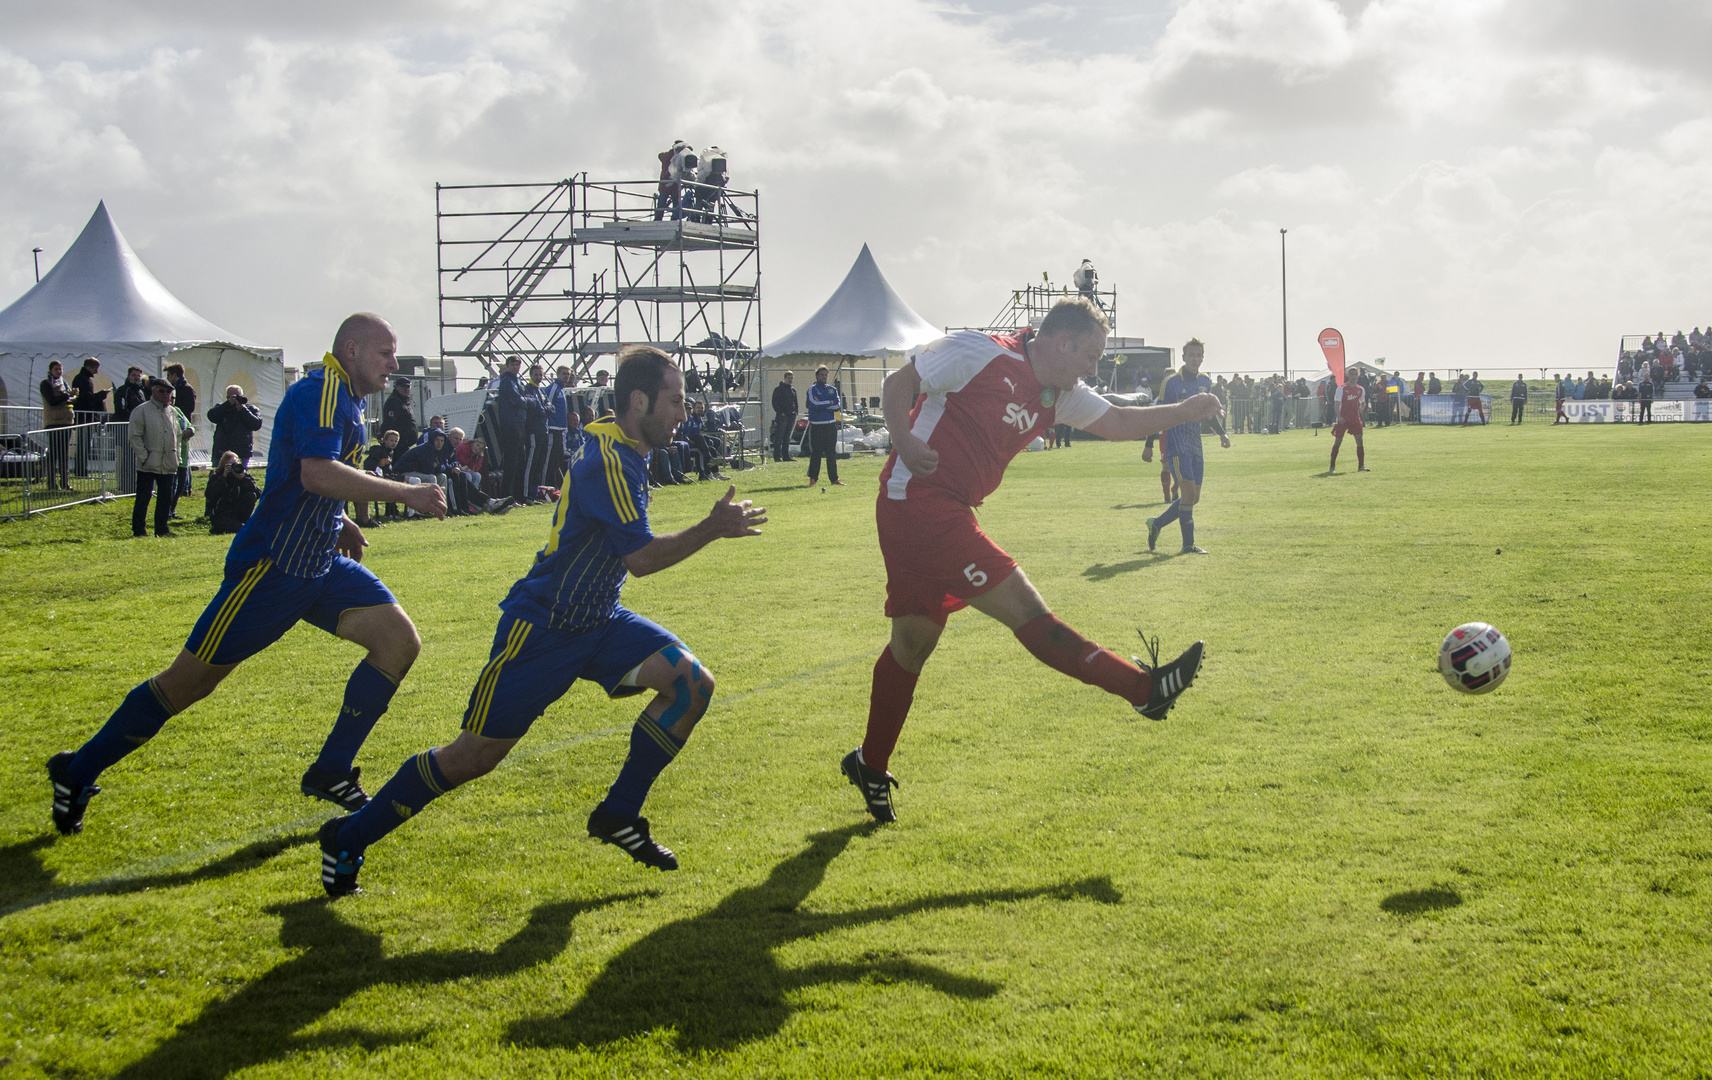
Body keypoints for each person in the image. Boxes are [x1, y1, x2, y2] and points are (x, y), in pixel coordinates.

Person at [316, 347, 767, 896]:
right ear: (640, 401)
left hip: (598, 619)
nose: (685, 409)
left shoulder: (625, 445)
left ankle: (618, 813)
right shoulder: (610, 462)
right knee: (472, 757)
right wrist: (711, 527)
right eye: (676, 400)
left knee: (690, 683)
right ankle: (349, 837)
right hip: (543, 629)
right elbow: (642, 560)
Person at [46, 314, 449, 838]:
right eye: (386, 354)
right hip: (272, 567)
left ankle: (330, 770)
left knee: (398, 642)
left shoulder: (345, 396)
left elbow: (294, 474)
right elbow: (315, 471)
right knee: (186, 685)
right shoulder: (321, 393)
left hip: (318, 562)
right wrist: (404, 491)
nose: (394, 364)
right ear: (351, 350)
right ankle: (76, 772)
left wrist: (340, 520)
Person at [841, 298, 1218, 824]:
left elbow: (1117, 420)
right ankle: (1144, 690)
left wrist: (1184, 410)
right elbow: (897, 384)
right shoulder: (979, 351)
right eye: (1091, 356)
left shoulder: (1056, 392)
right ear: (1062, 342)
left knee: (912, 645)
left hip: (925, 509)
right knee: (1028, 612)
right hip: (924, 505)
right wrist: (902, 439)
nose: (1094, 368)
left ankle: (869, 764)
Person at [1146, 339, 1230, 555]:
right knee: (1188, 492)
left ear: (1202, 357)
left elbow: (1208, 414)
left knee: (1193, 497)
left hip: (1195, 442)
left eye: (1198, 355)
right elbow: (1158, 414)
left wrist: (1222, 433)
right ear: (1183, 357)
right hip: (1177, 442)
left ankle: (1157, 523)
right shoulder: (1172, 382)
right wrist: (1149, 444)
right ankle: (1188, 545)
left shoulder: (1205, 381)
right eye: (1191, 355)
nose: (1195, 359)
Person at [126, 378, 188, 535]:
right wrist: (144, 457)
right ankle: (139, 530)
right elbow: (135, 436)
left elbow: (178, 436)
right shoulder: (142, 411)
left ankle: (162, 529)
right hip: (149, 463)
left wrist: (177, 457)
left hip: (168, 463)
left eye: (169, 392)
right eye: (162, 391)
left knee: (165, 498)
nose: (166, 394)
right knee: (143, 498)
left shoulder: (173, 412)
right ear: (153, 391)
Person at [494, 356, 533, 504]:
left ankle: (519, 495)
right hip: (510, 426)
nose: (515, 367)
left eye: (518, 365)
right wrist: (528, 400)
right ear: (507, 365)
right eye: (513, 364)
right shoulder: (507, 381)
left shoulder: (517, 381)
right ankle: (508, 496)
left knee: (520, 462)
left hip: (519, 425)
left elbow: (523, 399)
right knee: (511, 463)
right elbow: (518, 400)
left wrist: (525, 400)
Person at [164, 363, 197, 513]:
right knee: (173, 481)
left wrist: (188, 429)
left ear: (174, 375)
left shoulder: (186, 388)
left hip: (182, 441)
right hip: (171, 447)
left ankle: (176, 504)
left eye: (169, 375)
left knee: (182, 475)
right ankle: (168, 509)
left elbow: (189, 411)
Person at [39, 360, 76, 490]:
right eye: (56, 369)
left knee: (64, 453)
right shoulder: (46, 384)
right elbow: (52, 401)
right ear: (50, 370)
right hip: (53, 421)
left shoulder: (64, 383)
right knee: (54, 453)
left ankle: (65, 482)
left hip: (66, 421)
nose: (59, 372)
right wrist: (67, 395)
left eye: (60, 369)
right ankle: (51, 482)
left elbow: (68, 398)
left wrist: (72, 396)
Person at [70, 356, 109, 478]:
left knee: (85, 445)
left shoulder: (82, 378)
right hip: (85, 417)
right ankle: (81, 471)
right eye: (95, 368)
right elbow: (86, 399)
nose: (97, 371)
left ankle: (81, 470)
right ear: (89, 367)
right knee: (84, 445)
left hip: (84, 416)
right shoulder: (84, 380)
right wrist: (100, 396)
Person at [205, 451, 261, 534]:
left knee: (250, 495)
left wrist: (243, 479)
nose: (232, 468)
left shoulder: (244, 477)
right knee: (242, 529)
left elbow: (258, 493)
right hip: (222, 514)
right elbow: (209, 495)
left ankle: (242, 525)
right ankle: (220, 528)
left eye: (234, 464)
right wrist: (223, 478)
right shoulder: (217, 477)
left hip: (239, 512)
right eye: (229, 465)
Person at [207, 384, 264, 466]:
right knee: (218, 475)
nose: (236, 399)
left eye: (238, 396)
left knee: (240, 475)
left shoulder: (251, 409)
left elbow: (256, 424)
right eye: (233, 397)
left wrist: (242, 410)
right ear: (227, 397)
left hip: (242, 451)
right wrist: (227, 404)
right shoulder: (222, 407)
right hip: (222, 451)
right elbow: (212, 416)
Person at [805, 364, 843, 486]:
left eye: (826, 375)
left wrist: (823, 404)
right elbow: (813, 404)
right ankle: (813, 478)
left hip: (830, 425)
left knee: (831, 453)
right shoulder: (812, 389)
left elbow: (837, 406)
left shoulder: (832, 389)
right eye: (822, 375)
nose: (824, 377)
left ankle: (834, 479)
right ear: (817, 376)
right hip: (817, 426)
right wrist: (828, 403)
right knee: (816, 453)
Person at [1327, 375, 1368, 473]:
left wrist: (1362, 408)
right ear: (1349, 376)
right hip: (1343, 418)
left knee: (1359, 440)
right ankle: (1332, 465)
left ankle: (1361, 465)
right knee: (1338, 441)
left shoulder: (1360, 389)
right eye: (1351, 374)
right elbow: (1337, 403)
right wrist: (1339, 416)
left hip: (1354, 418)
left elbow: (1363, 402)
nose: (1353, 377)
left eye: (1355, 374)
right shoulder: (1342, 388)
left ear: (1357, 376)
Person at [382, 378, 418, 450]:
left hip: (405, 444)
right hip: (398, 445)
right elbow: (388, 423)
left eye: (408, 387)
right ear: (396, 388)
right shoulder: (394, 402)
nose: (406, 389)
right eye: (403, 387)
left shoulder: (404, 401)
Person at [770, 371, 798, 462]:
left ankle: (786, 456)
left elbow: (795, 402)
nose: (790, 380)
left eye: (791, 378)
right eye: (788, 378)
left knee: (787, 437)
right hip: (782, 416)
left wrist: (796, 411)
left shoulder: (793, 390)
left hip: (791, 415)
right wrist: (780, 412)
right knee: (779, 436)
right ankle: (777, 456)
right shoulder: (778, 389)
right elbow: (775, 402)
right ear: (784, 378)